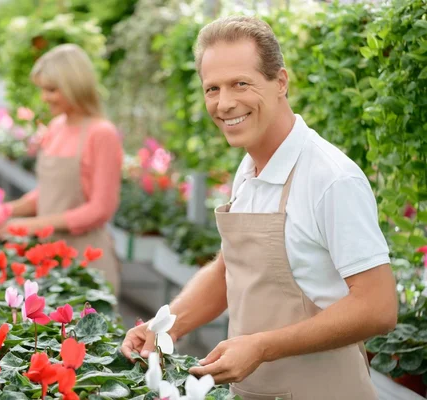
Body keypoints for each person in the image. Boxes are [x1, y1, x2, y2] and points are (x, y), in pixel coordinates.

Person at [121, 16, 398, 399]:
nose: (224, 103)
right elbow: (230, 268)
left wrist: (263, 346)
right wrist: (165, 326)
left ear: (280, 82)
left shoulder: (331, 178)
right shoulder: (250, 167)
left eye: (241, 84)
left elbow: (378, 306)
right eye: (212, 89)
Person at [0, 44, 123, 295]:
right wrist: (4, 211)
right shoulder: (56, 127)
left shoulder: (101, 133)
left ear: (75, 86)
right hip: (48, 260)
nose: (44, 97)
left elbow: (100, 209)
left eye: (52, 90)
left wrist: (32, 226)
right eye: (43, 89)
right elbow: (51, 192)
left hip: (86, 261)